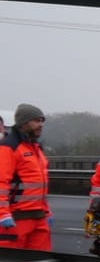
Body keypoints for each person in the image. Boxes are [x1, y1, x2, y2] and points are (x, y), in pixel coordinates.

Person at [0, 104, 53, 251]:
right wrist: (2, 214)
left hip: (39, 218)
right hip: (16, 219)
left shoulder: (35, 148)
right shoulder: (9, 147)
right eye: (36, 121)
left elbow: (41, 185)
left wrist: (47, 212)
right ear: (24, 123)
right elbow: (1, 183)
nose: (40, 125)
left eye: (42, 121)